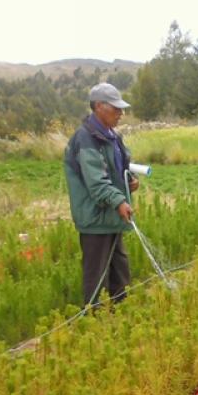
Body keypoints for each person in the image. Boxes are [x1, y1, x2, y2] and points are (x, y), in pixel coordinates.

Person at [64, 82, 139, 305]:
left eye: (121, 109)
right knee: (96, 278)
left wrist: (130, 181)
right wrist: (118, 200)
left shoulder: (111, 136)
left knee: (120, 272)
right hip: (96, 218)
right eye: (115, 108)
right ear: (98, 107)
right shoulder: (86, 139)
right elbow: (96, 182)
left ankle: (121, 317)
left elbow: (118, 168)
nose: (121, 114)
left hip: (112, 217)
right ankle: (95, 324)